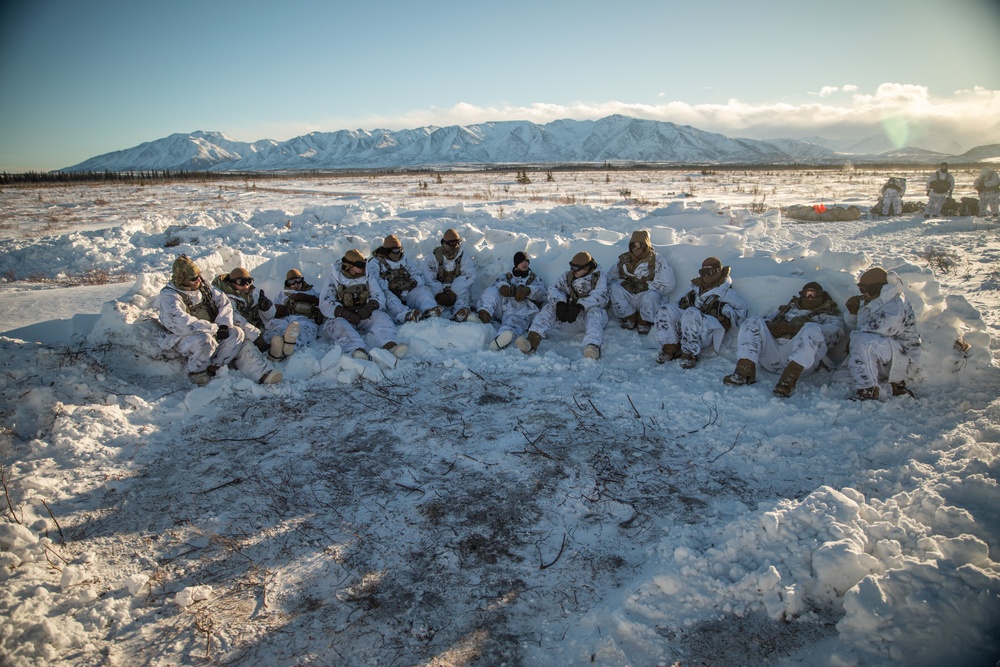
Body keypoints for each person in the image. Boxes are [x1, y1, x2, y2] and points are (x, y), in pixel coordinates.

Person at [156, 255, 280, 386]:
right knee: (205, 340)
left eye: (199, 276)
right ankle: (196, 371)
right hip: (183, 335)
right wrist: (213, 328)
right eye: (193, 279)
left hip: (210, 328)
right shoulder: (170, 296)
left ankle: (214, 366)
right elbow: (181, 322)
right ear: (182, 280)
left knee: (237, 334)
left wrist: (223, 324)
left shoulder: (204, 286)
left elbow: (223, 302)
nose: (198, 280)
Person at [723, 281, 846, 397]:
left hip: (802, 362)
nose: (810, 297)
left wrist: (796, 329)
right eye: (806, 294)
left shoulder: (829, 314)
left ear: (822, 296)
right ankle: (744, 371)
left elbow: (836, 333)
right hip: (772, 357)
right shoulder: (788, 309)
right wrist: (771, 326)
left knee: (812, 329)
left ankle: (788, 381)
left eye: (814, 294)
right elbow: (765, 320)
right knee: (753, 321)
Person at [654, 256, 747, 369]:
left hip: (708, 333)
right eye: (703, 272)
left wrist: (726, 310)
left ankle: (689, 354)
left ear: (718, 272)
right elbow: (677, 304)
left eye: (710, 271)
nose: (706, 275)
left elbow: (742, 314)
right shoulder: (694, 287)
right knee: (665, 309)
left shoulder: (726, 292)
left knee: (692, 312)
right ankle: (671, 347)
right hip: (689, 326)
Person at [844, 267, 921, 400]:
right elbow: (857, 327)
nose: (862, 293)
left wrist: (854, 339)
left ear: (875, 288)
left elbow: (878, 329)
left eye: (863, 289)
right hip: (883, 356)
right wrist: (853, 312)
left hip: (902, 358)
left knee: (861, 340)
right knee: (840, 377)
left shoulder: (896, 303)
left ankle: (868, 390)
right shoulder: (874, 301)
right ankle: (890, 388)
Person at [515, 251, 608, 359]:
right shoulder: (568, 276)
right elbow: (553, 288)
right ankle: (531, 341)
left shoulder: (598, 278)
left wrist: (581, 306)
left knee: (596, 312)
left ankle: (593, 346)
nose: (573, 270)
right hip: (568, 317)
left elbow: (601, 296)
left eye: (576, 268)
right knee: (549, 308)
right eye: (571, 266)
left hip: (586, 319)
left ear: (586, 267)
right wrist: (560, 303)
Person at [319, 249, 408, 361]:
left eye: (364, 263)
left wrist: (369, 307)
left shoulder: (367, 277)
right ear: (349, 266)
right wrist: (345, 314)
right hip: (343, 317)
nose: (364, 267)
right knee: (339, 325)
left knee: (381, 317)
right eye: (360, 265)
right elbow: (325, 303)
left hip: (363, 314)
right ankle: (357, 350)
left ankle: (390, 345)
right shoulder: (334, 279)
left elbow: (378, 295)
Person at [212, 267, 299, 362]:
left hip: (257, 329)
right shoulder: (226, 299)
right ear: (232, 283)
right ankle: (270, 356)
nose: (246, 285)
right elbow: (237, 320)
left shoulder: (253, 293)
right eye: (241, 282)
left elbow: (270, 316)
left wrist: (267, 307)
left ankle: (282, 350)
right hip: (241, 334)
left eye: (249, 281)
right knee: (251, 351)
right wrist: (257, 337)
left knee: (276, 336)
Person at [477, 251, 547, 350]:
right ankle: (483, 315)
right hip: (504, 307)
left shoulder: (535, 279)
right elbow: (494, 286)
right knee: (491, 291)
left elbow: (543, 294)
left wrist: (528, 291)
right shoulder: (507, 277)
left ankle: (503, 338)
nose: (525, 263)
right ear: (516, 264)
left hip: (523, 310)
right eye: (521, 261)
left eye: (526, 261)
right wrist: (502, 286)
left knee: (513, 322)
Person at [609, 230, 676, 334]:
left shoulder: (657, 260)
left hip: (646, 296)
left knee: (651, 296)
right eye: (633, 245)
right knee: (614, 288)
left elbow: (668, 286)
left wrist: (646, 286)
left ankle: (644, 320)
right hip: (630, 296)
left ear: (646, 246)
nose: (635, 248)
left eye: (639, 245)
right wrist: (624, 283)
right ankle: (629, 316)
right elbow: (611, 277)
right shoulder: (624, 260)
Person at [368, 235, 439, 323]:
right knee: (387, 296)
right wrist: (391, 285)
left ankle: (429, 310)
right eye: (395, 250)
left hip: (406, 292)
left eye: (400, 249)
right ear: (386, 251)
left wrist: (413, 282)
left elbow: (419, 275)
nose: (399, 253)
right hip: (390, 293)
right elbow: (373, 283)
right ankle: (406, 315)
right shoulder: (375, 263)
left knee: (423, 290)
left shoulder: (404, 261)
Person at [423, 228, 477, 322]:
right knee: (426, 293)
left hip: (457, 288)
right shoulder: (434, 257)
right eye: (451, 243)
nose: (455, 246)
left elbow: (468, 275)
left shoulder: (463, 257)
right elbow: (428, 277)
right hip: (438, 288)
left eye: (457, 242)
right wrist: (438, 293)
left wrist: (454, 292)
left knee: (464, 295)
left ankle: (461, 312)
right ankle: (432, 310)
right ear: (444, 243)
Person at [267, 268, 323, 358]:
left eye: (298, 280)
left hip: (305, 321)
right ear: (287, 283)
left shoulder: (313, 293)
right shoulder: (282, 294)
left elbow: (323, 307)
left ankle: (290, 346)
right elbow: (274, 310)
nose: (296, 284)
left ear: (302, 280)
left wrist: (308, 300)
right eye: (292, 281)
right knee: (276, 332)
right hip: (285, 320)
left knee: (302, 333)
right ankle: (277, 347)